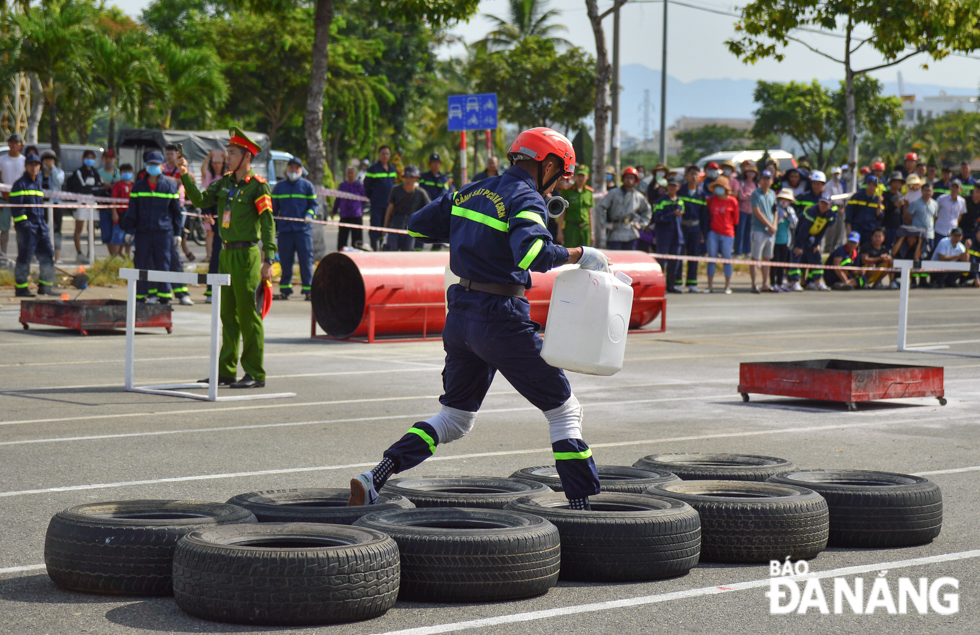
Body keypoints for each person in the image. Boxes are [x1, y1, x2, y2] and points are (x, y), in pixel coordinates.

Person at [347, 127, 608, 511]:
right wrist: (581, 253)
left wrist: (470, 230)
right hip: (502, 318)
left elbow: (418, 223)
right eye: (559, 176)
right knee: (564, 410)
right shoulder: (527, 198)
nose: (557, 187)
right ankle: (583, 508)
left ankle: (377, 476)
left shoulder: (471, 190)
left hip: (461, 317)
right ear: (547, 164)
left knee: (454, 417)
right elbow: (533, 253)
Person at [178, 127, 276, 389]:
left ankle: (255, 373)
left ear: (247, 156)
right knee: (227, 316)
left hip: (247, 256)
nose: (227, 157)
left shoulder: (258, 186)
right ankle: (226, 371)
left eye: (232, 153)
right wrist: (185, 174)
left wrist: (270, 259)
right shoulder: (224, 183)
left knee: (248, 316)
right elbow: (199, 200)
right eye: (228, 152)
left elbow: (267, 223)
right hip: (225, 254)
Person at [120, 151, 182, 305]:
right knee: (141, 263)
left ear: (162, 166)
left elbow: (176, 212)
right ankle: (141, 297)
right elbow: (132, 210)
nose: (153, 167)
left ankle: (164, 297)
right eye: (151, 164)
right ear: (146, 166)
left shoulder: (169, 185)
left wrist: (178, 233)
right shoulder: (139, 186)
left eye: (156, 164)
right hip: (143, 232)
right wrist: (129, 230)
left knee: (163, 264)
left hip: (163, 232)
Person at [11, 153, 57, 296]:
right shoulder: (20, 184)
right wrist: (25, 226)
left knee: (47, 255)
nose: (34, 167)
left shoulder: (38, 185)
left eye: (37, 165)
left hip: (40, 227)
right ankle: (21, 288)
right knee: (25, 257)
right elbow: (16, 209)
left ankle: (45, 286)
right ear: (26, 166)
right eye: (31, 164)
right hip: (27, 228)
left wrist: (43, 225)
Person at [272, 157, 318, 300]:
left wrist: (310, 214)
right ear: (287, 169)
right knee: (286, 261)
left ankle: (308, 290)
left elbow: (314, 204)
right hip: (285, 231)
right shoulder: (279, 187)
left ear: (301, 170)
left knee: (306, 261)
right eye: (291, 168)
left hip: (302, 231)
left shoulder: (307, 186)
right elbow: (273, 209)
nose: (293, 171)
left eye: (296, 168)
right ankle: (285, 290)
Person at [790, 192, 837, 292]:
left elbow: (823, 230)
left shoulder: (830, 214)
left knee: (816, 256)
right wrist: (799, 246)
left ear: (830, 205)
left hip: (814, 236)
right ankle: (794, 282)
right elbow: (803, 230)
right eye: (822, 203)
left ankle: (817, 282)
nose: (823, 206)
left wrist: (817, 243)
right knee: (797, 255)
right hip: (800, 235)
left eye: (826, 204)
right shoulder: (812, 212)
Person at [597, 166, 651, 250]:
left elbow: (647, 211)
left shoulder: (639, 196)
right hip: (616, 231)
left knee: (629, 260)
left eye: (631, 178)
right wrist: (606, 224)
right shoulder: (613, 193)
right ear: (623, 179)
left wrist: (641, 224)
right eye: (627, 177)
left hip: (631, 231)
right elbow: (601, 207)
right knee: (614, 259)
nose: (629, 180)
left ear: (635, 180)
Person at [66, 149, 106, 263]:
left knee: (91, 229)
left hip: (93, 203)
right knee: (79, 228)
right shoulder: (79, 172)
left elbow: (101, 187)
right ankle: (79, 253)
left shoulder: (95, 172)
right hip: (81, 202)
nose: (90, 160)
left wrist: (96, 188)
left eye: (92, 158)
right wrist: (95, 188)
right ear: (83, 159)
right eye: (88, 158)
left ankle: (91, 252)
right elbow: (82, 187)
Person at [704, 175, 739, 294]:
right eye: (717, 187)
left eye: (721, 187)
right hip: (713, 233)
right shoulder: (711, 200)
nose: (719, 189)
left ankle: (727, 286)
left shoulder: (732, 201)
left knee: (727, 259)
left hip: (728, 233)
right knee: (711, 258)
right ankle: (709, 286)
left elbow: (736, 220)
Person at [384, 165, 430, 251]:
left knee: (407, 253)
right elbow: (389, 209)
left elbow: (429, 209)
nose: (409, 180)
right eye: (407, 177)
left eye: (412, 177)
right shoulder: (396, 189)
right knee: (391, 252)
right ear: (404, 178)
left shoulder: (421, 193)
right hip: (395, 226)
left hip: (410, 228)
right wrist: (385, 227)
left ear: (416, 179)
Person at [678, 165, 708, 291]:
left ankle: (692, 283)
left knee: (694, 255)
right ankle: (677, 282)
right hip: (682, 227)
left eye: (697, 174)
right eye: (692, 174)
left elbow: (704, 216)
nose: (694, 176)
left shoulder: (701, 195)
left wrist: (703, 233)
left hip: (695, 229)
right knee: (679, 255)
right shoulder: (680, 191)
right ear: (687, 175)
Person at [653, 174, 685, 293]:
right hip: (664, 236)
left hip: (677, 236)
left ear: (678, 188)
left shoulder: (680, 201)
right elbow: (657, 217)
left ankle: (671, 285)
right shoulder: (661, 200)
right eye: (670, 186)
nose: (672, 188)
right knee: (661, 262)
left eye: (674, 186)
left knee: (674, 263)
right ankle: (660, 286)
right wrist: (672, 215)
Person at [749, 169, 778, 293]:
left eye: (768, 179)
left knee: (767, 258)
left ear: (771, 181)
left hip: (770, 231)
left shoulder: (772, 194)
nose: (766, 181)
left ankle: (765, 283)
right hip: (759, 229)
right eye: (764, 179)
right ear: (760, 180)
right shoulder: (756, 194)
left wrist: (774, 225)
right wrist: (769, 225)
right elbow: (757, 212)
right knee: (755, 258)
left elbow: (775, 210)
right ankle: (754, 284)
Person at [363, 145, 396, 251]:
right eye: (383, 153)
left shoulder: (392, 169)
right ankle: (374, 248)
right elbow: (367, 186)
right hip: (377, 204)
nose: (385, 156)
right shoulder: (373, 169)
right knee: (375, 226)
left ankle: (383, 247)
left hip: (389, 205)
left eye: (387, 154)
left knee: (386, 226)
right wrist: (373, 197)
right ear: (379, 155)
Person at [39, 150, 65, 262]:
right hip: (42, 206)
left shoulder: (59, 172)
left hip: (55, 205)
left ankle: (57, 257)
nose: (48, 162)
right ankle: (41, 256)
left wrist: (52, 169)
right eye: (46, 159)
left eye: (51, 159)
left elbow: (58, 182)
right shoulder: (38, 174)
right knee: (41, 230)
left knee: (57, 230)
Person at [332, 165, 366, 250]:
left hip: (356, 215)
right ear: (346, 175)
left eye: (352, 173)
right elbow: (338, 199)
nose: (350, 175)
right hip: (344, 215)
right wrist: (334, 211)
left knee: (357, 240)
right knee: (342, 239)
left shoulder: (359, 186)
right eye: (348, 173)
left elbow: (364, 199)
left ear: (355, 174)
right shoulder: (342, 186)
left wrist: (359, 207)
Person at [560, 164, 594, 249]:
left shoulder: (589, 192)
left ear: (587, 177)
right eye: (579, 175)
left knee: (586, 254)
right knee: (569, 254)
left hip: (585, 228)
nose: (581, 178)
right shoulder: (567, 191)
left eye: (583, 176)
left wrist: (592, 232)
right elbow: (562, 213)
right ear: (575, 176)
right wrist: (559, 232)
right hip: (571, 228)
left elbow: (590, 214)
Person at [845, 175, 882, 253]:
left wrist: (879, 204)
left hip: (869, 230)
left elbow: (879, 216)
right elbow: (849, 213)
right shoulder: (857, 196)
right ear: (866, 185)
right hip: (856, 228)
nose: (871, 187)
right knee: (853, 249)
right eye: (870, 184)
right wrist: (848, 228)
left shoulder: (877, 199)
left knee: (865, 251)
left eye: (874, 185)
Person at [770, 188, 798, 291]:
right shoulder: (775, 209)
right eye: (782, 199)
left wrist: (790, 217)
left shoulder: (791, 210)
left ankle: (780, 283)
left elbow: (794, 224)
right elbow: (774, 222)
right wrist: (781, 216)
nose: (784, 202)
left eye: (787, 200)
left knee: (782, 263)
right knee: (775, 263)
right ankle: (773, 283)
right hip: (775, 241)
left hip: (785, 241)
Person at [109, 164, 135, 258]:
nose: (127, 174)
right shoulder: (118, 185)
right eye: (124, 172)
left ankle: (128, 257)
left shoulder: (134, 185)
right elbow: (113, 199)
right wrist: (114, 212)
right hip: (120, 215)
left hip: (131, 215)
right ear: (120, 173)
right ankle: (115, 256)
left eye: (129, 172)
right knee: (118, 238)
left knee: (129, 238)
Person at [734, 161, 758, 256]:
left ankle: (747, 251)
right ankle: (738, 251)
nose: (751, 174)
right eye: (749, 172)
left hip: (752, 211)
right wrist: (750, 195)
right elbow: (741, 196)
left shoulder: (756, 184)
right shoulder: (742, 183)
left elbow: (757, 197)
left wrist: (749, 195)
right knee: (740, 231)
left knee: (749, 232)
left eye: (753, 172)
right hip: (742, 210)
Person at [934, 179, 965, 249]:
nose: (954, 189)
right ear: (950, 187)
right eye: (953, 187)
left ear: (960, 189)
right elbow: (935, 214)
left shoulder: (962, 201)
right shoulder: (941, 198)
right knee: (938, 251)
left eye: (956, 187)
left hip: (953, 232)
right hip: (940, 230)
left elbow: (960, 215)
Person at [881, 172, 907, 247]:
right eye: (895, 182)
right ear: (891, 183)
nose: (897, 184)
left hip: (898, 225)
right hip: (887, 225)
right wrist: (894, 205)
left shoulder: (901, 196)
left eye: (899, 183)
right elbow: (884, 210)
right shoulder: (885, 195)